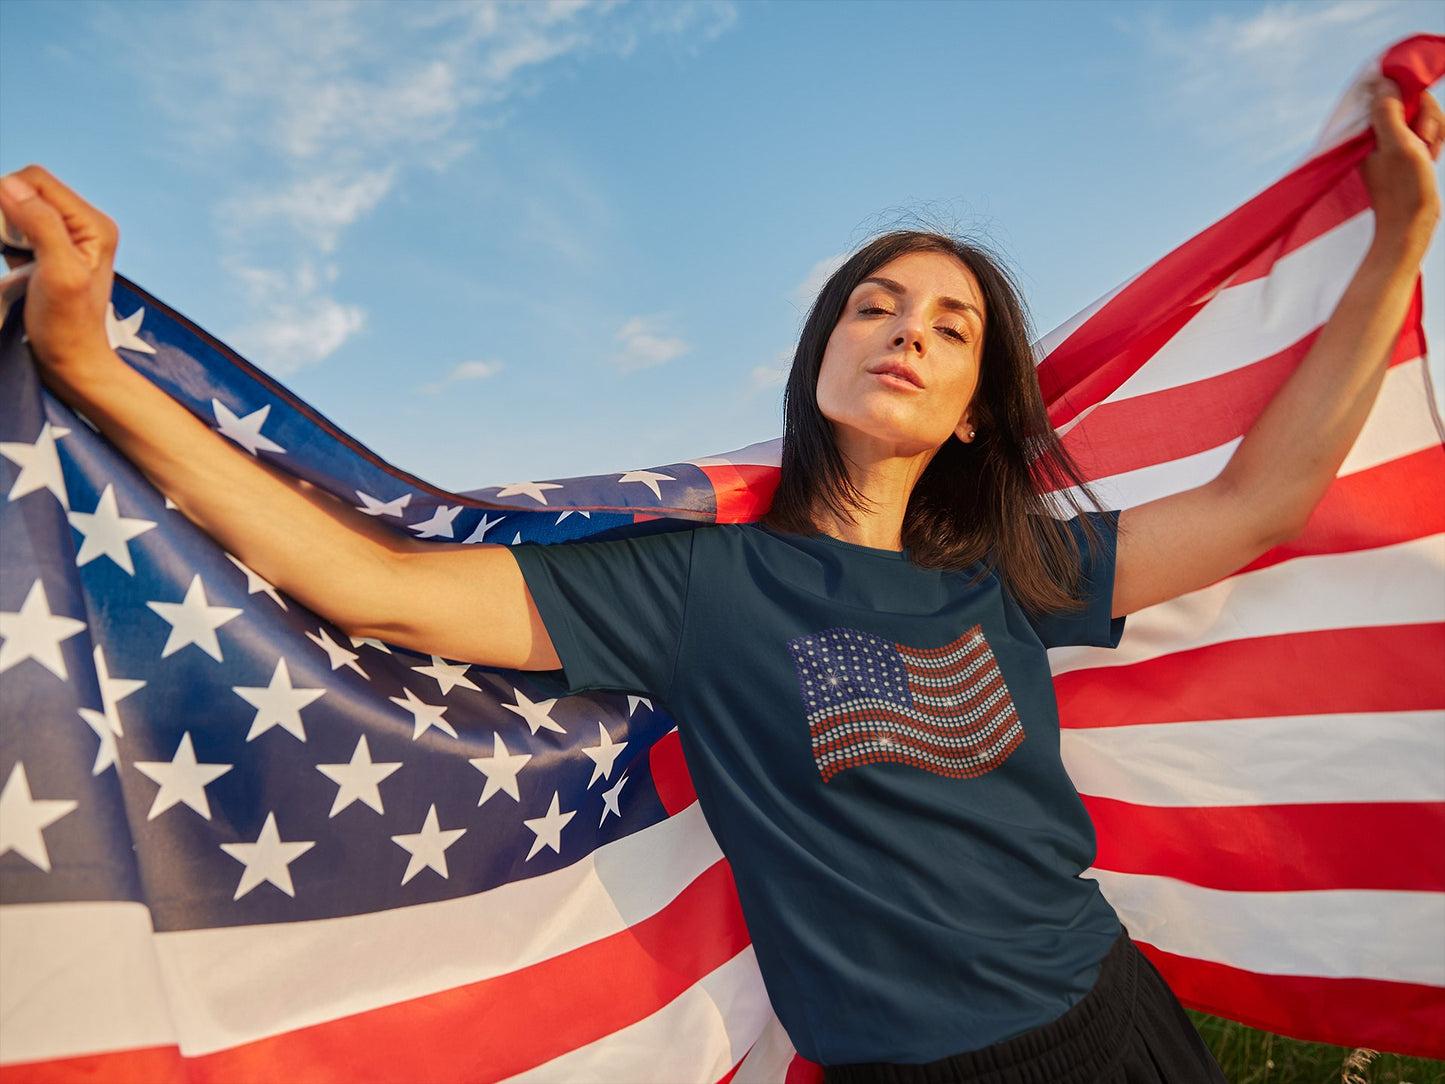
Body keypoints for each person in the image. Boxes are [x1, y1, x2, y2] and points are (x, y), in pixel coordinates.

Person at [0, 82, 1439, 1081]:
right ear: (817, 358)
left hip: (1104, 1017)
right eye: (873, 305)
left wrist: (1396, 241)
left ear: (976, 411)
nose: (907, 332)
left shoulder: (1008, 569)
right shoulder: (704, 584)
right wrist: (90, 369)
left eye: (949, 326)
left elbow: (1259, 506)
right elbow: (378, 588)